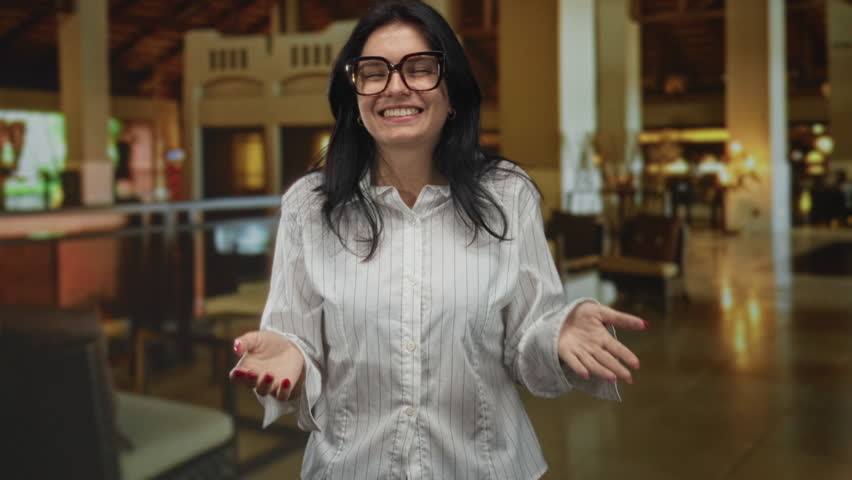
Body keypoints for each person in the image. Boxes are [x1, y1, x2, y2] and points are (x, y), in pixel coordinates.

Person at [229, 2, 647, 478]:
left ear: (453, 95)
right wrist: (294, 359)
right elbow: (294, 337)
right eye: (373, 72)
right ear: (355, 96)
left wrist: (555, 335)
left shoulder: (507, 196)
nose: (395, 85)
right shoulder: (309, 205)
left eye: (420, 68)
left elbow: (526, 341)